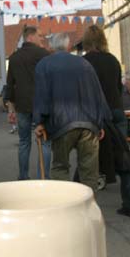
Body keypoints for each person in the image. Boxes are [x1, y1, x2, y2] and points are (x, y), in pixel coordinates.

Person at [33, 33, 109, 192]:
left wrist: (39, 121)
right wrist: (100, 122)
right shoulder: (84, 64)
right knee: (89, 171)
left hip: (61, 123)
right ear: (68, 46)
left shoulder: (44, 65)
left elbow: (41, 95)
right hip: (89, 122)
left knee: (60, 167)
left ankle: (64, 202)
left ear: (51, 47)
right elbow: (97, 92)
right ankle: (88, 204)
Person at [81, 26, 130, 216]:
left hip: (95, 114)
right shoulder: (113, 60)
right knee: (122, 157)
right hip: (116, 110)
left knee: (88, 159)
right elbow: (117, 87)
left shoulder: (84, 63)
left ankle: (78, 205)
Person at [4, 26, 51, 179]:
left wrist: (10, 109)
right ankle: (43, 177)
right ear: (30, 37)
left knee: (24, 141)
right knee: (44, 142)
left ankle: (23, 176)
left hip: (22, 105)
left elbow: (10, 85)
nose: (41, 38)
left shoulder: (14, 57)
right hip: (41, 105)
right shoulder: (44, 55)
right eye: (39, 35)